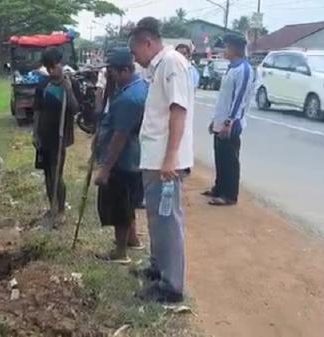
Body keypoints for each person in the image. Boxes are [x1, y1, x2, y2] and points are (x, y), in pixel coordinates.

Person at [129, 17, 194, 303]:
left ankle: (172, 286)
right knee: (157, 219)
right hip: (154, 158)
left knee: (168, 220)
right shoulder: (158, 68)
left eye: (135, 52)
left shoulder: (171, 63)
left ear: (148, 42)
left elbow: (178, 111)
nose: (135, 58)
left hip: (164, 162)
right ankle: (158, 268)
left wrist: (170, 158)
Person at [93, 47, 149, 262]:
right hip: (133, 157)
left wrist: (105, 170)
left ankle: (120, 252)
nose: (110, 77)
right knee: (128, 202)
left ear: (125, 70)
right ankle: (133, 240)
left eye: (113, 72)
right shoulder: (135, 87)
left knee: (120, 206)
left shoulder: (129, 99)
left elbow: (120, 137)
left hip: (124, 160)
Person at [203, 34, 254, 206]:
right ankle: (219, 188)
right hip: (221, 120)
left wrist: (229, 122)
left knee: (230, 159)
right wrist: (215, 120)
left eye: (226, 48)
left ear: (234, 49)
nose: (224, 51)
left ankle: (229, 195)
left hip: (232, 123)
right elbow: (223, 98)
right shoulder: (231, 68)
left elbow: (239, 99)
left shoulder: (244, 70)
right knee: (220, 156)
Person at [33, 48, 79, 218]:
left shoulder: (70, 83)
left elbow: (75, 109)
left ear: (61, 64)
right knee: (47, 172)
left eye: (55, 65)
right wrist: (35, 133)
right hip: (44, 134)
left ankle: (60, 209)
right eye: (49, 67)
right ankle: (51, 206)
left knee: (56, 172)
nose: (52, 70)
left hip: (60, 136)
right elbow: (37, 109)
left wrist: (68, 90)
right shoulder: (43, 84)